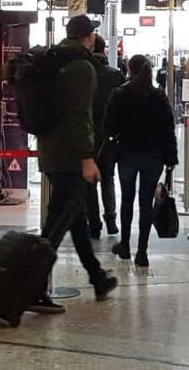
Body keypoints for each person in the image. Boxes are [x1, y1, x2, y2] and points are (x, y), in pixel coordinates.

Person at [31, 15, 119, 315]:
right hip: (70, 157)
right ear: (89, 37)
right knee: (54, 229)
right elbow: (79, 116)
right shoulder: (81, 66)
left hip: (50, 151)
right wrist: (86, 158)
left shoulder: (54, 60)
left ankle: (97, 278)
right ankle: (33, 288)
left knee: (75, 218)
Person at [105, 54, 178, 268]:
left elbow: (108, 125)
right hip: (153, 157)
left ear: (129, 69)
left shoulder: (119, 94)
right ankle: (142, 252)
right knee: (145, 202)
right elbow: (168, 129)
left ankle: (125, 246)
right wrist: (171, 158)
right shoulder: (158, 96)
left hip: (127, 154)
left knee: (127, 199)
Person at [87, 34, 124, 239]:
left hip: (88, 134)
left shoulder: (84, 72)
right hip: (110, 136)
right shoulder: (115, 74)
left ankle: (94, 224)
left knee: (89, 181)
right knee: (108, 177)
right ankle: (111, 220)